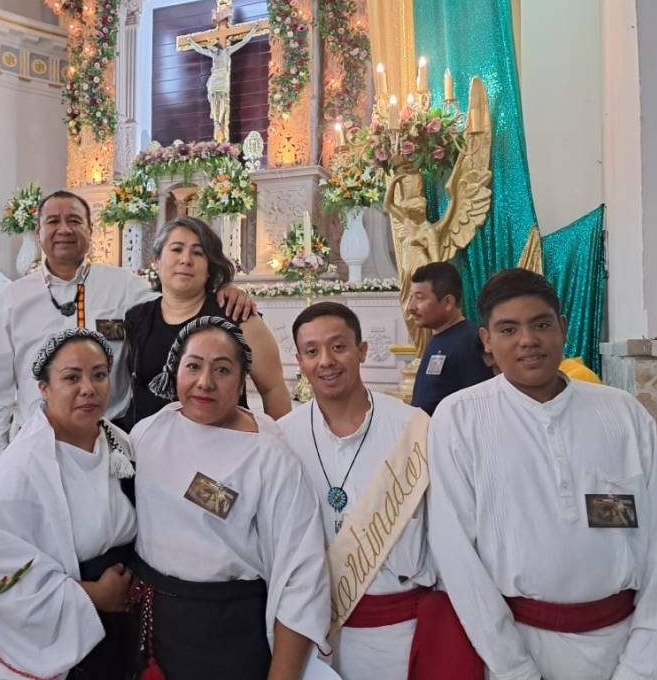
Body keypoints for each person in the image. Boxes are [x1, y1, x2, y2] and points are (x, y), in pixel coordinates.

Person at [428, 268, 657, 680]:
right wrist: (516, 669)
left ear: (563, 328)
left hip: (623, 648)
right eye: (508, 329)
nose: (528, 340)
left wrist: (642, 666)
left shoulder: (622, 414)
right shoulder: (460, 419)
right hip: (518, 649)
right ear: (487, 340)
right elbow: (456, 554)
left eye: (541, 324)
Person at [0, 190, 255, 459]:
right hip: (39, 442)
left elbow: (180, 299)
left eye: (74, 220)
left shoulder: (124, 286)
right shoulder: (14, 297)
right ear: (38, 231)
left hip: (111, 444)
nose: (64, 229)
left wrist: (222, 289)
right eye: (53, 221)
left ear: (90, 231)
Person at [130, 316, 329, 680]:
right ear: (175, 370)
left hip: (227, 630)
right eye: (193, 366)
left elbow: (301, 578)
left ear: (241, 380)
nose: (205, 382)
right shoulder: (150, 432)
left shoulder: (268, 456)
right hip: (152, 624)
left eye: (222, 370)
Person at [0, 329, 137, 679]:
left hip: (120, 633)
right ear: (43, 388)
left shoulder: (121, 444)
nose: (88, 388)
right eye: (72, 378)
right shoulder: (21, 468)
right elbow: (2, 578)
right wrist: (94, 595)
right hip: (65, 631)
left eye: (99, 375)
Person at [277, 302, 436, 680]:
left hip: (399, 637)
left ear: (362, 350)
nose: (326, 361)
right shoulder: (283, 437)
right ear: (299, 361)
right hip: (311, 640)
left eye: (338, 347)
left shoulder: (412, 427)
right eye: (312, 351)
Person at [124, 217, 290, 427]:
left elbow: (273, 389)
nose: (186, 260)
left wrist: (277, 441)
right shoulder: (136, 317)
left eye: (198, 253)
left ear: (209, 266)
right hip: (149, 441)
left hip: (223, 439)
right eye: (176, 249)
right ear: (157, 261)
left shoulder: (237, 314)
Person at [408, 261, 492, 415]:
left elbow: (478, 407)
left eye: (420, 298)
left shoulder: (471, 342)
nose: (411, 307)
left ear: (448, 302)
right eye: (411, 297)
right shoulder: (438, 337)